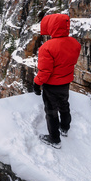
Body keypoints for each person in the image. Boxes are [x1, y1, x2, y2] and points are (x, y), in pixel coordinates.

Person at [33, 13, 81, 149]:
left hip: (51, 86)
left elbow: (44, 72)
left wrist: (37, 84)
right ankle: (65, 128)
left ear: (52, 27)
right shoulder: (75, 43)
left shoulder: (47, 47)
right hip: (65, 82)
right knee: (64, 105)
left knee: (51, 111)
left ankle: (54, 139)